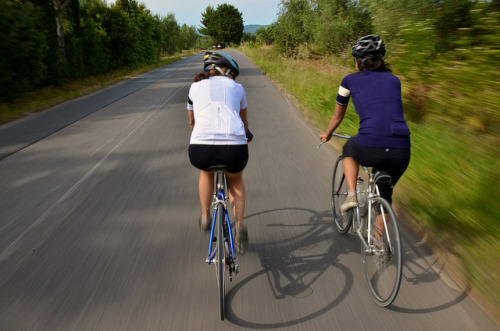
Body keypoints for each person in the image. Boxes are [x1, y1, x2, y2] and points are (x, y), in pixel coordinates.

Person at [319, 35, 411, 236]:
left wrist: (327, 134)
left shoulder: (348, 80)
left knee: (349, 149)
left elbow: (338, 116)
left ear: (358, 60)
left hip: (370, 142)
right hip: (402, 148)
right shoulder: (395, 81)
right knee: (385, 193)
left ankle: (351, 194)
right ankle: (380, 243)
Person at [187, 51, 252, 252]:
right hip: (234, 148)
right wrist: (247, 134)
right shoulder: (238, 88)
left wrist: (200, 136)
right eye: (232, 74)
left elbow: (192, 122)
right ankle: (240, 226)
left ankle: (206, 217)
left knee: (206, 172)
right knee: (235, 179)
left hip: (201, 148)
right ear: (226, 71)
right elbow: (243, 121)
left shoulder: (194, 87)